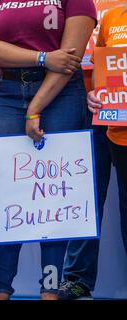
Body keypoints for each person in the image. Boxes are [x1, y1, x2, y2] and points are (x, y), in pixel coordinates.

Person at [0, 0, 97, 299]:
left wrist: (35, 109)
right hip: (6, 91)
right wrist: (43, 57)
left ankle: (50, 290)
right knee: (8, 191)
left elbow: (68, 60)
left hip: (61, 93)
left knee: (53, 193)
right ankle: (1, 289)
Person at [59, 2, 127, 300]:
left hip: (118, 113)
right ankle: (78, 278)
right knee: (86, 192)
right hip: (84, 101)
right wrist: (95, 91)